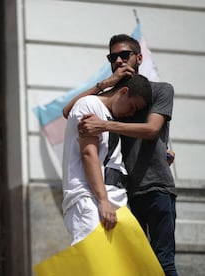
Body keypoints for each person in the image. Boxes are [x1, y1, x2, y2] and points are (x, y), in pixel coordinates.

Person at [63, 34, 178, 276]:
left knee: (162, 264)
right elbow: (69, 112)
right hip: (126, 195)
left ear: (138, 57)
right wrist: (104, 84)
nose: (118, 60)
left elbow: (151, 130)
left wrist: (105, 126)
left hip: (156, 187)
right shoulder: (105, 101)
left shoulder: (159, 90)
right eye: (112, 57)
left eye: (124, 55)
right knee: (129, 267)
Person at [62, 74, 152, 245]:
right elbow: (89, 154)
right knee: (92, 267)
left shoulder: (110, 117)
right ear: (124, 92)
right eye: (132, 107)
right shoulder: (89, 104)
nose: (131, 113)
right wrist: (103, 200)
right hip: (89, 200)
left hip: (114, 202)